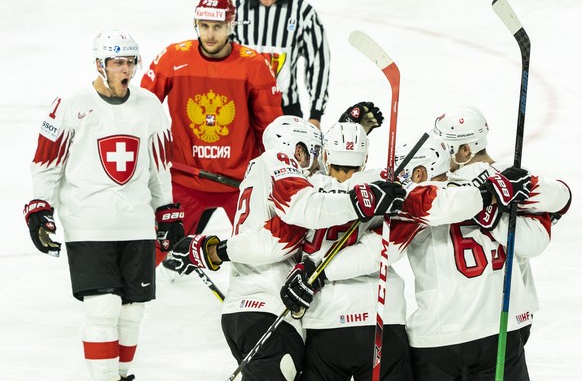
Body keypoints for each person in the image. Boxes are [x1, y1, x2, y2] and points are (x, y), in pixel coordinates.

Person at [169, 115, 406, 380]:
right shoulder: (279, 161)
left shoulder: (257, 172)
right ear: (298, 150)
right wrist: (358, 201)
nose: (316, 166)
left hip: (238, 312)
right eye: (313, 153)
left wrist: (214, 250)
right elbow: (294, 218)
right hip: (271, 309)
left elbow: (331, 183)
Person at [23, 30, 184, 381]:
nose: (125, 69)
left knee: (132, 311)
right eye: (117, 62)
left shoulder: (150, 106)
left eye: (130, 61)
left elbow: (159, 167)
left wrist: (166, 210)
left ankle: (122, 374)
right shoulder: (71, 104)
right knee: (102, 307)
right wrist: (40, 208)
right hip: (88, 222)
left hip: (136, 222)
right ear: (100, 64)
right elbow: (47, 162)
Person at [397, 107, 572, 381]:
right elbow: (559, 201)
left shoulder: (434, 188)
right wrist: (500, 203)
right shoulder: (510, 180)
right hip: (504, 326)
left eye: (445, 145)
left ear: (464, 151)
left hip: (441, 331)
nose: (438, 151)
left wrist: (492, 215)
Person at [141, 0, 283, 266]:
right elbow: (141, 109)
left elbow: (271, 127)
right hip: (185, 179)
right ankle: (129, 300)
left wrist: (276, 173)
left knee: (263, 254)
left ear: (232, 25)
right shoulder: (172, 58)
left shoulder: (253, 65)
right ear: (196, 24)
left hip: (241, 184)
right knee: (150, 253)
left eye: (217, 27)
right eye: (204, 25)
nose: (210, 34)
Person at [279, 122, 414, 380]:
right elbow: (392, 243)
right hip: (380, 315)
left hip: (325, 320)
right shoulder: (383, 185)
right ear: (364, 160)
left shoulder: (306, 189)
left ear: (326, 155)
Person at [232, 0, 331, 129]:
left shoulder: (303, 12)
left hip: (286, 111)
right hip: (242, 109)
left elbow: (318, 62)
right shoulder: (236, 9)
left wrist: (315, 115)